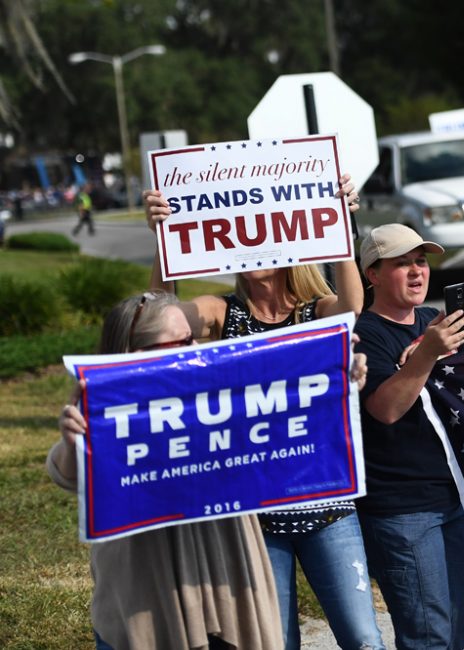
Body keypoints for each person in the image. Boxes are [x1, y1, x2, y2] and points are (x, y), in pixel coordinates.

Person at [143, 176, 385, 650]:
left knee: (363, 638)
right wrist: (164, 241)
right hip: (254, 514)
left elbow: (353, 307)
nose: (252, 244)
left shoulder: (315, 311)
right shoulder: (221, 311)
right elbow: (161, 320)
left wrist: (338, 224)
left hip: (325, 503)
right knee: (273, 643)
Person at [49, 291, 284, 649]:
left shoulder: (218, 388)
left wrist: (337, 382)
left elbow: (286, 417)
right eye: (182, 340)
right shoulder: (105, 405)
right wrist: (72, 440)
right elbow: (66, 475)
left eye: (194, 337)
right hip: (146, 591)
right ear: (138, 353)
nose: (195, 347)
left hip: (225, 570)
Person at [352, 223, 464, 650]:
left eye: (421, 262)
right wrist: (425, 355)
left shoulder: (435, 321)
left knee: (461, 624)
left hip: (457, 497)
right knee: (428, 636)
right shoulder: (361, 333)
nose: (416, 272)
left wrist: (440, 349)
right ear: (372, 274)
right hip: (403, 507)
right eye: (401, 264)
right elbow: (385, 409)